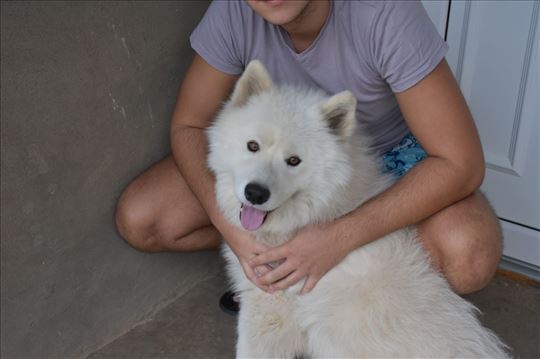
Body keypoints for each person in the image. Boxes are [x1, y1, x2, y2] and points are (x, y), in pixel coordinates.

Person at [115, 0, 502, 310]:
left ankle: (329, 286)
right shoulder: (234, 9)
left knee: (468, 255)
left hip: (386, 160)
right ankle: (285, 275)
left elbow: (461, 163)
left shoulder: (385, 12)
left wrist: (339, 237)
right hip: (280, 167)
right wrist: (232, 229)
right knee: (144, 219)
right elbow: (189, 126)